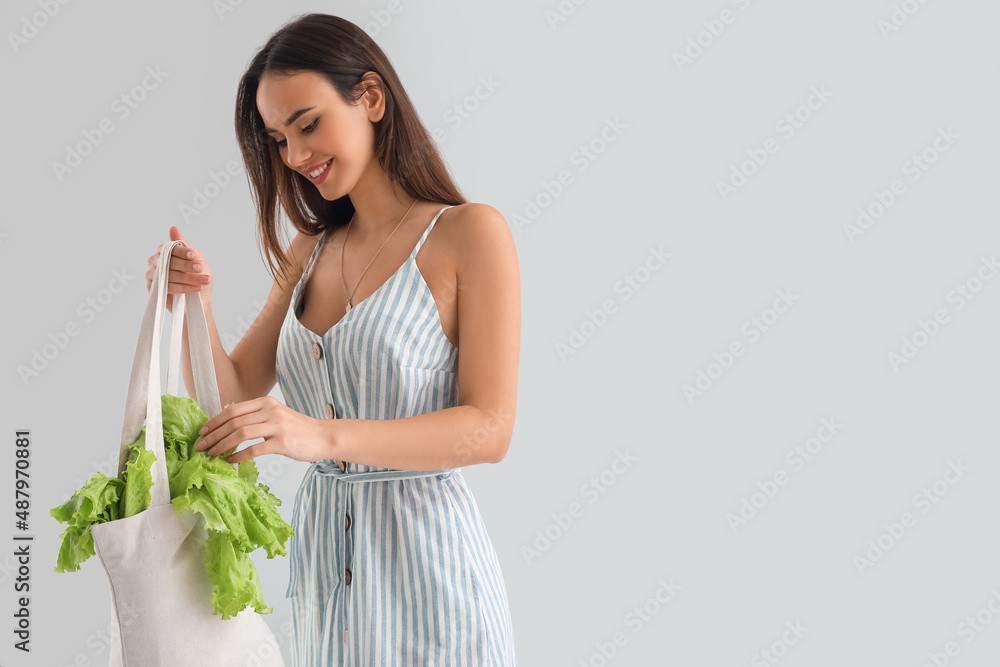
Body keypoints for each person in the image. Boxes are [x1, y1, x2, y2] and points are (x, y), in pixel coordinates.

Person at [144, 12, 519, 666]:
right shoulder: (309, 251)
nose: (295, 156)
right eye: (278, 139)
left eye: (308, 124)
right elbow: (231, 397)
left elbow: (489, 428)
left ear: (371, 98)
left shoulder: (470, 234)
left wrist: (320, 435)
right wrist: (190, 303)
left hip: (434, 583)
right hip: (326, 579)